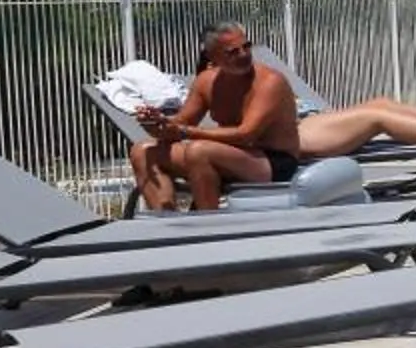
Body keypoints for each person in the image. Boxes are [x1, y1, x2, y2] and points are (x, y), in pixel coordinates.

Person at [127, 23, 305, 211]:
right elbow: (178, 125)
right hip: (228, 156)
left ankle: (208, 225)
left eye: (246, 46)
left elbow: (247, 134)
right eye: (232, 52)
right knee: (142, 151)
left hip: (273, 162)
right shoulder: (206, 81)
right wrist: (156, 124)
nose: (243, 55)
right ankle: (167, 224)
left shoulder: (270, 82)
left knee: (199, 151)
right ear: (213, 57)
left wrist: (183, 131)